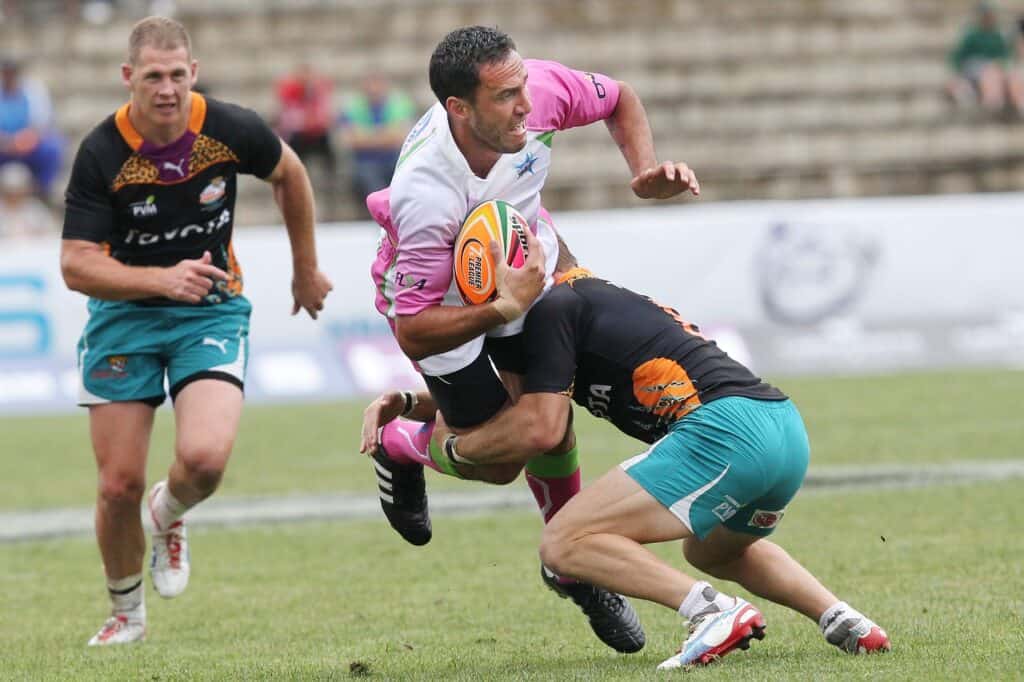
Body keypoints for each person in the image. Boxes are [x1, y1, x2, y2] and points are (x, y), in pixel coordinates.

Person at [367, 240, 891, 669]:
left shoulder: (554, 309)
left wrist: (449, 447)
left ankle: (710, 612)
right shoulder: (579, 301)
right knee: (713, 552)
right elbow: (513, 400)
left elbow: (539, 426)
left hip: (726, 433)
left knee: (564, 542)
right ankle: (841, 618)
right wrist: (412, 402)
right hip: (781, 428)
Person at [363, 25, 699, 653]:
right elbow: (412, 331)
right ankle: (403, 445)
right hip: (440, 299)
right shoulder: (425, 194)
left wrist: (644, 170)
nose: (526, 106)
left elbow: (620, 95)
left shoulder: (535, 91)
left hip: (527, 264)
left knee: (547, 423)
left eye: (523, 87)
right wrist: (497, 309)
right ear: (459, 108)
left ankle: (572, 562)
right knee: (501, 461)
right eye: (505, 97)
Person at [60, 16, 333, 647]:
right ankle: (126, 614)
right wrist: (160, 280)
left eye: (177, 75)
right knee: (117, 483)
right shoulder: (103, 152)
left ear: (194, 74)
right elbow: (76, 264)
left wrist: (306, 269)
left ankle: (170, 513)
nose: (166, 89)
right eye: (152, 76)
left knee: (205, 461)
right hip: (123, 315)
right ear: (129, 77)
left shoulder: (228, 128)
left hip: (210, 307)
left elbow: (290, 174)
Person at [337, 72, 415, 205]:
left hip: (395, 160)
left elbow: (402, 137)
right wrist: (385, 136)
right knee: (370, 180)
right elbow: (349, 139)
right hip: (365, 163)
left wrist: (367, 137)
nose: (374, 88)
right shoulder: (353, 107)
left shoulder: (399, 104)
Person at [0, 56, 64, 198]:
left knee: (53, 146)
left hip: (27, 146)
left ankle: (43, 190)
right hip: (2, 147)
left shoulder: (33, 90)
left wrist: (23, 141)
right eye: (5, 73)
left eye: (11, 73)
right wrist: (6, 143)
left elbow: (41, 124)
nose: (8, 77)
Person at [946, 1, 1024, 114]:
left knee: (1003, 75)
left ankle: (1001, 102)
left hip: (996, 70)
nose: (989, 18)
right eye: (986, 15)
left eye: (990, 15)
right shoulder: (971, 35)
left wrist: (1000, 65)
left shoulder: (998, 35)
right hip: (974, 68)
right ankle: (992, 102)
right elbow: (957, 57)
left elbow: (1006, 56)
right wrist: (957, 74)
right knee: (990, 74)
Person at [274, 62, 336, 178]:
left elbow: (326, 116)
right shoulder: (290, 92)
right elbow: (288, 119)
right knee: (294, 143)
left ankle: (330, 180)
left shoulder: (319, 92)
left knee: (328, 143)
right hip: (299, 135)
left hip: (316, 133)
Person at [0, 161, 56, 239]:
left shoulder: (36, 209)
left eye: (18, 189)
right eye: (10, 190)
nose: (14, 194)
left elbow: (51, 235)